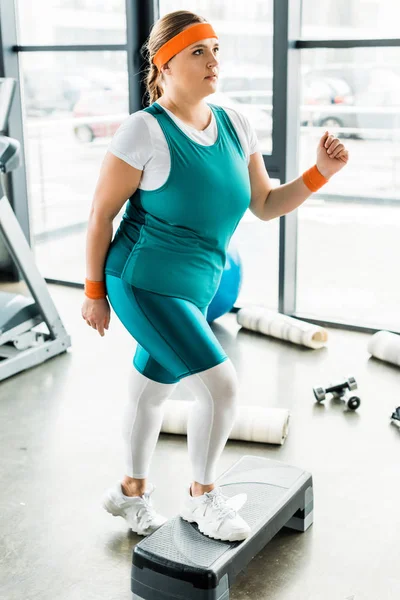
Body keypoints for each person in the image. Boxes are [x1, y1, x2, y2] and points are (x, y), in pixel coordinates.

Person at [81, 10, 349, 541]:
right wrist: (93, 293)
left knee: (151, 390)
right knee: (221, 387)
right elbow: (100, 215)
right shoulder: (144, 131)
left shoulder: (234, 123)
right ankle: (203, 499)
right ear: (165, 63)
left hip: (196, 286)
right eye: (198, 51)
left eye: (216, 50)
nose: (213, 61)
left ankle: (130, 495)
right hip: (142, 280)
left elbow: (267, 204)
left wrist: (320, 173)